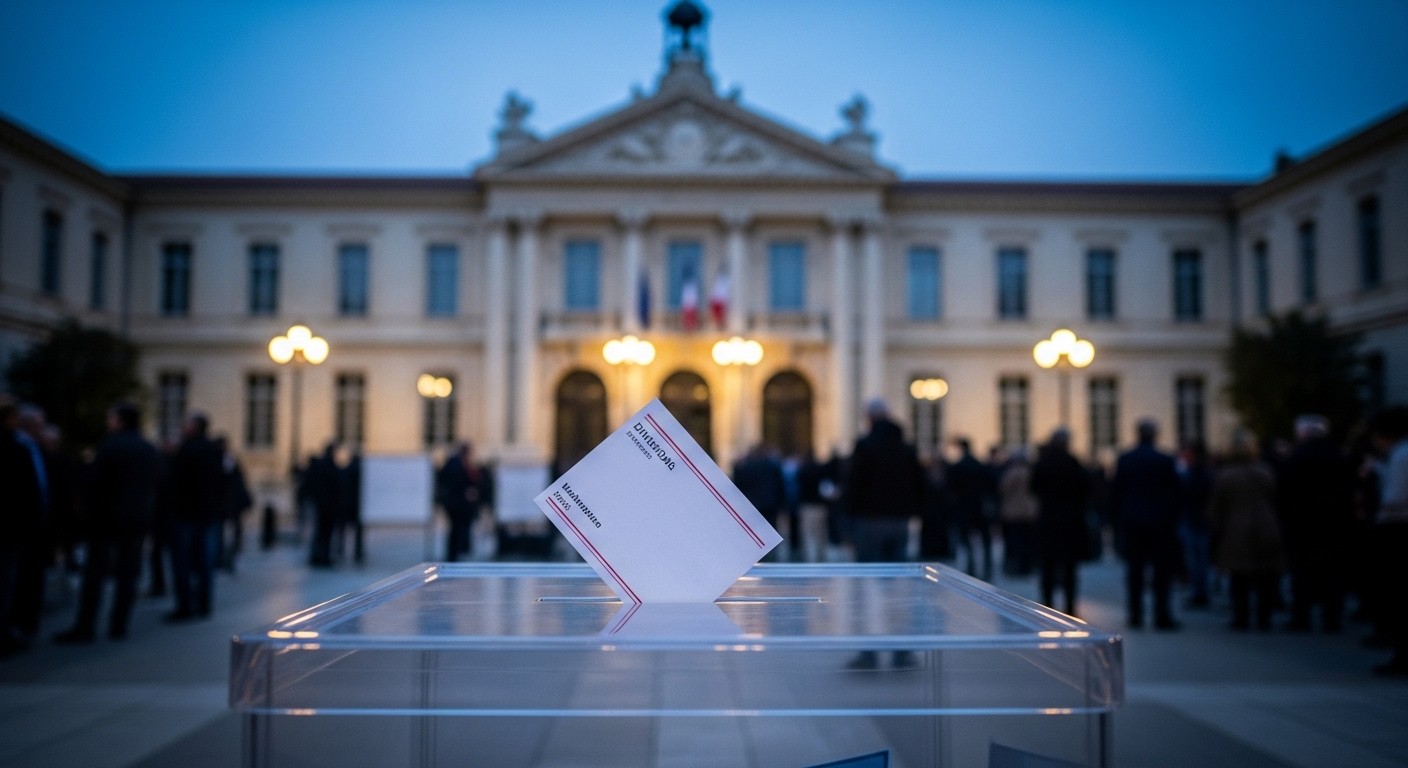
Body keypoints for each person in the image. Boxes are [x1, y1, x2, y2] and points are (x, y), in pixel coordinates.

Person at [54, 403, 161, 643]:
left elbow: (94, 483)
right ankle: (118, 624)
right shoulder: (146, 448)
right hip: (136, 519)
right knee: (128, 574)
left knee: (95, 575)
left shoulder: (111, 446)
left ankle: (86, 625)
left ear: (120, 421)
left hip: (107, 520)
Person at [843, 398, 926, 670]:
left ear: (869, 418)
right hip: (899, 523)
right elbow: (919, 485)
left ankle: (869, 651)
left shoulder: (865, 446)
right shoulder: (906, 448)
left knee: (867, 589)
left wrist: (847, 524)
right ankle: (901, 650)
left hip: (870, 523)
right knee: (899, 589)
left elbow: (853, 486)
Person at [1277, 415, 1356, 633]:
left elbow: (1284, 491)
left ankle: (1301, 617)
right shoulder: (1339, 455)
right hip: (1334, 524)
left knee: (1301, 573)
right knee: (1332, 573)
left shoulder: (1296, 457)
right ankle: (1332, 618)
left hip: (1301, 524)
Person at [1111, 418, 1183, 630]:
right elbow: (1175, 495)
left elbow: (1116, 494)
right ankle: (1162, 614)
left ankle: (1136, 614)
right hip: (1160, 522)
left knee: (1135, 570)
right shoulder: (1165, 460)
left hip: (1133, 521)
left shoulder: (1126, 459)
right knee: (1161, 570)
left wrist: (1117, 521)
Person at [1209, 432, 1285, 631]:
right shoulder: (1265, 471)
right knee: (1264, 576)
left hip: (1236, 528)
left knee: (1239, 577)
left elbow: (1218, 507)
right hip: (1265, 526)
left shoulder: (1226, 475)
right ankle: (1263, 617)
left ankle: (1241, 617)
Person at [166, 413, 225, 621]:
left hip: (186, 514)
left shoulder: (186, 450)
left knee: (183, 562)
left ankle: (185, 606)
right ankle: (203, 603)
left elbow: (175, 482)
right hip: (206, 514)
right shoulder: (213, 450)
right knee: (204, 562)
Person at [0, 397, 47, 657]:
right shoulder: (14, 447)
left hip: (19, 527)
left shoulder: (26, 447)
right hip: (14, 528)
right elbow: (25, 492)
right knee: (8, 582)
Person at [1030, 429, 1091, 616]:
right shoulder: (1072, 462)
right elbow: (1084, 490)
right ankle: (1070, 607)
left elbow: (1034, 488)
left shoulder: (1043, 463)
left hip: (1048, 519)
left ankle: (1047, 604)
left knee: (1047, 566)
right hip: (1069, 521)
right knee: (1069, 568)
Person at [1367, 406, 1408, 676]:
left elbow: (1394, 499)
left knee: (1398, 595)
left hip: (1397, 530)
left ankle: (1401, 656)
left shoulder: (1400, 456)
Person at [948, 437, 994, 580]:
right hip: (979, 506)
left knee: (966, 539)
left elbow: (952, 488)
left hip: (964, 506)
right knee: (985, 539)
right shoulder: (979, 465)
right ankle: (987, 568)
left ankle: (971, 567)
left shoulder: (958, 466)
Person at [1177, 440, 1215, 609]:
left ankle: (1200, 592)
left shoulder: (1193, 473)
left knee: (1197, 559)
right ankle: (1200, 591)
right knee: (1199, 559)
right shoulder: (1205, 473)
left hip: (1195, 520)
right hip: (1198, 520)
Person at [733, 445, 787, 560]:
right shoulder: (773, 466)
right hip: (771, 504)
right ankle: (771, 554)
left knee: (756, 530)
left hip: (755, 504)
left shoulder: (748, 467)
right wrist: (782, 503)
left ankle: (759, 555)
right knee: (771, 529)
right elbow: (780, 485)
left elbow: (740, 483)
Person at [436, 442, 488, 562]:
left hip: (454, 504)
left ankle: (457, 553)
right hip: (458, 504)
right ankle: (455, 554)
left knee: (456, 530)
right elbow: (457, 484)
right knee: (457, 530)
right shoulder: (458, 465)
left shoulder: (453, 464)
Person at [997, 448, 1037, 576]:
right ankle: (1027, 566)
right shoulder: (1031, 472)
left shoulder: (1012, 473)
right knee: (1028, 541)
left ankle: (1017, 566)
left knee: (1015, 541)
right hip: (1029, 512)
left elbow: (1003, 488)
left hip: (1013, 512)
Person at [305, 443, 341, 568]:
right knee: (325, 533)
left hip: (321, 504)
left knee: (320, 532)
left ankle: (317, 556)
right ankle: (323, 557)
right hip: (328, 505)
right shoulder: (330, 465)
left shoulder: (319, 465)